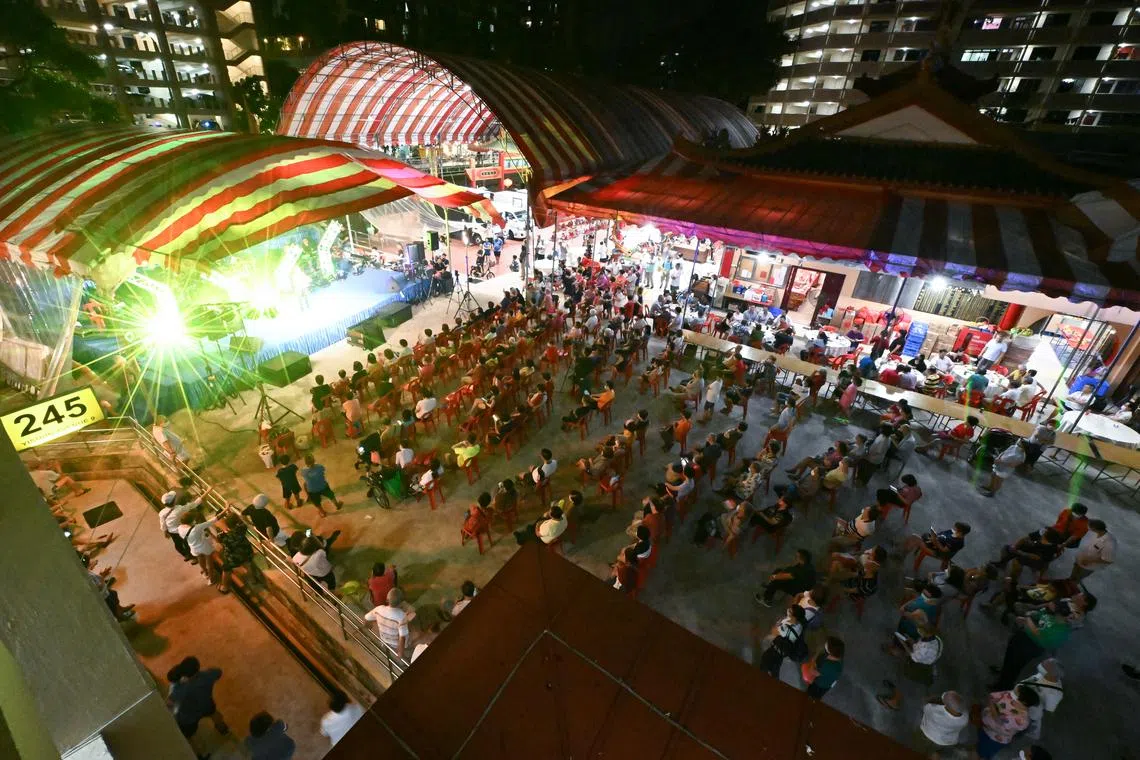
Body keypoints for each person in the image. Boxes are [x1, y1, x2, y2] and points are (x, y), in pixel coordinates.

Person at [167, 656, 228, 738]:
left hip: (189, 715)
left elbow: (170, 702)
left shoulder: (181, 688)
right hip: (207, 704)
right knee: (214, 714)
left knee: (187, 732)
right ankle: (222, 728)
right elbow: (218, 672)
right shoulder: (207, 676)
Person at [976, 686, 1036, 759]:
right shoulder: (1011, 695)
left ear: (1023, 702)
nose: (1010, 694)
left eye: (1014, 694)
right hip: (987, 729)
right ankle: (978, 749)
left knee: (984, 752)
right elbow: (994, 695)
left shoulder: (1022, 720)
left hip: (995, 739)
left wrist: (991, 704)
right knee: (981, 741)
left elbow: (998, 719)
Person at [1017, 658, 1063, 741]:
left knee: (1023, 726)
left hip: (1031, 713)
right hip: (1021, 702)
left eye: (1044, 666)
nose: (1040, 665)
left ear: (1050, 675)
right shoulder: (1043, 675)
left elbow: (1049, 709)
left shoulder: (1055, 693)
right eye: (1043, 663)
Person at [757, 604, 808, 678]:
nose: (788, 610)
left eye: (790, 611)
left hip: (776, 649)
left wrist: (779, 624)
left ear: (794, 616)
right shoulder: (800, 626)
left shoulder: (785, 629)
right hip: (784, 650)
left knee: (765, 660)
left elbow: (774, 631)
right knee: (776, 665)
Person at [365, 587, 411, 658]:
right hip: (395, 644)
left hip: (384, 639)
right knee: (409, 632)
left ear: (387, 600)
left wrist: (369, 626)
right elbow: (402, 637)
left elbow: (366, 618)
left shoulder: (379, 609)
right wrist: (400, 652)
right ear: (401, 602)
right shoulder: (402, 616)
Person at [918, 690, 968, 755]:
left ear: (947, 706)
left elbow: (925, 707)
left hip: (930, 736)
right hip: (949, 741)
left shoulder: (934, 712)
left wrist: (928, 700)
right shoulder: (965, 718)